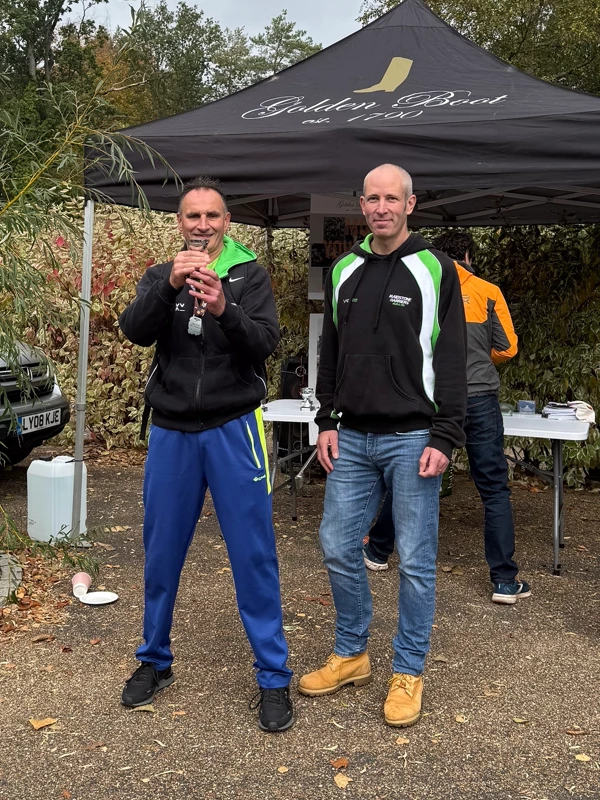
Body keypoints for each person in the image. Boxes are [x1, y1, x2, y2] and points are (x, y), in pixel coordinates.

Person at [118, 177, 294, 733]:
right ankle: (153, 660)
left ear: (226, 222)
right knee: (161, 552)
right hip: (171, 430)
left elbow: (265, 344)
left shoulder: (250, 275)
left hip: (233, 427)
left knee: (253, 555)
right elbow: (134, 330)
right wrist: (168, 287)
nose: (202, 225)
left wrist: (224, 308)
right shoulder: (159, 274)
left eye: (212, 216)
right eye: (192, 216)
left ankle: (273, 678)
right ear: (179, 222)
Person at [299, 164, 467, 728]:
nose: (381, 207)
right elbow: (332, 350)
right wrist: (326, 419)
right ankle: (352, 655)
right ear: (362, 205)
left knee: (416, 560)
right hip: (352, 435)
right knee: (337, 544)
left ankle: (409, 670)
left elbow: (451, 360)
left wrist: (446, 434)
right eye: (372, 198)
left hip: (414, 436)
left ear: (410, 203)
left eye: (391, 198)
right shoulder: (344, 267)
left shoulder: (434, 268)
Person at [363, 229, 530, 606]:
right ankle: (504, 579)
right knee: (493, 489)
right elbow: (509, 347)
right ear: (469, 255)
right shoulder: (488, 291)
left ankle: (377, 551)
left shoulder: (423, 283)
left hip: (432, 398)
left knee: (413, 475)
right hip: (480, 397)